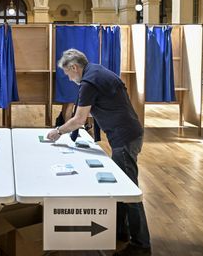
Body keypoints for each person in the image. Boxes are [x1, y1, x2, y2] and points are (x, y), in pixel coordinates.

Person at [47, 49, 151, 255]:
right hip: (129, 133)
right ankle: (121, 232)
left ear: (74, 68)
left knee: (130, 193)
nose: (68, 78)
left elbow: (79, 119)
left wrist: (58, 131)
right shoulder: (96, 70)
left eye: (68, 74)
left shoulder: (88, 82)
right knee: (121, 186)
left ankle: (141, 245)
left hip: (124, 138)